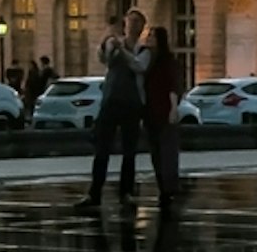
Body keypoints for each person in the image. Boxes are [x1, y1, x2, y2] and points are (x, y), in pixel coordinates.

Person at [79, 12, 146, 207]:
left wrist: (121, 49)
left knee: (129, 151)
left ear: (141, 27)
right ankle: (94, 192)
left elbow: (138, 65)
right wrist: (104, 41)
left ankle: (126, 192)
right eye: (129, 22)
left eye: (136, 23)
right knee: (102, 149)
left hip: (132, 103)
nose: (131, 26)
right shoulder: (116, 43)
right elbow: (104, 58)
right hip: (111, 100)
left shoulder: (142, 49)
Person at [142, 20, 187, 205]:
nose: (148, 39)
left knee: (167, 151)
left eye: (152, 36)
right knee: (156, 152)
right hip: (150, 111)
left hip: (164, 110)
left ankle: (170, 187)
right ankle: (163, 186)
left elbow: (173, 86)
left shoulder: (168, 62)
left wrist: (173, 108)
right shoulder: (147, 60)